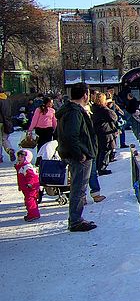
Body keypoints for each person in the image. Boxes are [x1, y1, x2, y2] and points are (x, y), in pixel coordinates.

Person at [55, 83, 97, 232]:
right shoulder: (74, 112)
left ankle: (76, 218)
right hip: (79, 156)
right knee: (79, 188)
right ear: (85, 95)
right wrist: (80, 154)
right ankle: (75, 220)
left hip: (75, 153)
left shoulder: (68, 110)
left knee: (78, 187)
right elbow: (71, 136)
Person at [90, 92, 119, 176]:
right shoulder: (103, 109)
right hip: (105, 131)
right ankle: (102, 168)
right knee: (106, 149)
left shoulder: (94, 108)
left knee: (101, 150)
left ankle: (99, 167)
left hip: (98, 131)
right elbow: (114, 117)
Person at [15, 148, 41, 222]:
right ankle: (32, 213)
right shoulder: (22, 167)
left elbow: (32, 176)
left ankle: (33, 215)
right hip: (26, 188)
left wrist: (30, 183)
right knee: (29, 201)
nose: (19, 158)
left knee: (30, 201)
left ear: (27, 158)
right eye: (18, 156)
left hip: (31, 188)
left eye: (22, 157)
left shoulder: (27, 167)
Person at [0, 87, 17, 162]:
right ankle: (10, 150)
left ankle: (0, 157)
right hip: (7, 122)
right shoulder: (7, 100)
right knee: (4, 139)